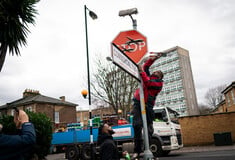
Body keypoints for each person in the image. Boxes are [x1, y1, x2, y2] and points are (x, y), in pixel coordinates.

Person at [132, 53, 164, 158]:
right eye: (155, 71)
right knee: (137, 125)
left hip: (148, 106)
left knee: (149, 129)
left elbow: (148, 83)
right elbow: (145, 67)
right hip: (138, 102)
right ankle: (137, 150)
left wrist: (141, 71)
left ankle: (147, 148)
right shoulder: (148, 76)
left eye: (158, 72)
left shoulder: (159, 84)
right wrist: (153, 59)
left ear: (160, 77)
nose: (155, 72)